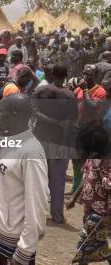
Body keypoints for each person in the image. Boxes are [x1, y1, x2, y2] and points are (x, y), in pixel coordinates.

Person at [0, 94, 49, 265]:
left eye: (0, 111)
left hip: (14, 246)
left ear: (14, 115)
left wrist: (24, 252)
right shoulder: (9, 141)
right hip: (0, 238)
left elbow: (37, 205)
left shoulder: (31, 152)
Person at [33, 63, 77, 225]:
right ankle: (57, 215)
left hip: (39, 140)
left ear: (51, 73)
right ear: (66, 75)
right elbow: (69, 124)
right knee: (57, 181)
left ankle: (34, 211)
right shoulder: (69, 96)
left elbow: (33, 112)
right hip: (59, 142)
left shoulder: (41, 90)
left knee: (36, 177)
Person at [66, 132, 111, 264]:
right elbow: (85, 178)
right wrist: (73, 198)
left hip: (103, 211)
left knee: (85, 242)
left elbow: (108, 185)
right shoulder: (92, 158)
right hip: (89, 207)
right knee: (98, 241)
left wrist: (99, 170)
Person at [73, 64, 107, 194]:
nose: (85, 77)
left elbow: (92, 106)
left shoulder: (100, 91)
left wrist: (86, 90)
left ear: (96, 76)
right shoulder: (80, 89)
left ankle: (86, 190)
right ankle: (76, 187)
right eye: (84, 73)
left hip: (91, 131)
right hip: (78, 128)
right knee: (76, 160)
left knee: (88, 162)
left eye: (89, 75)